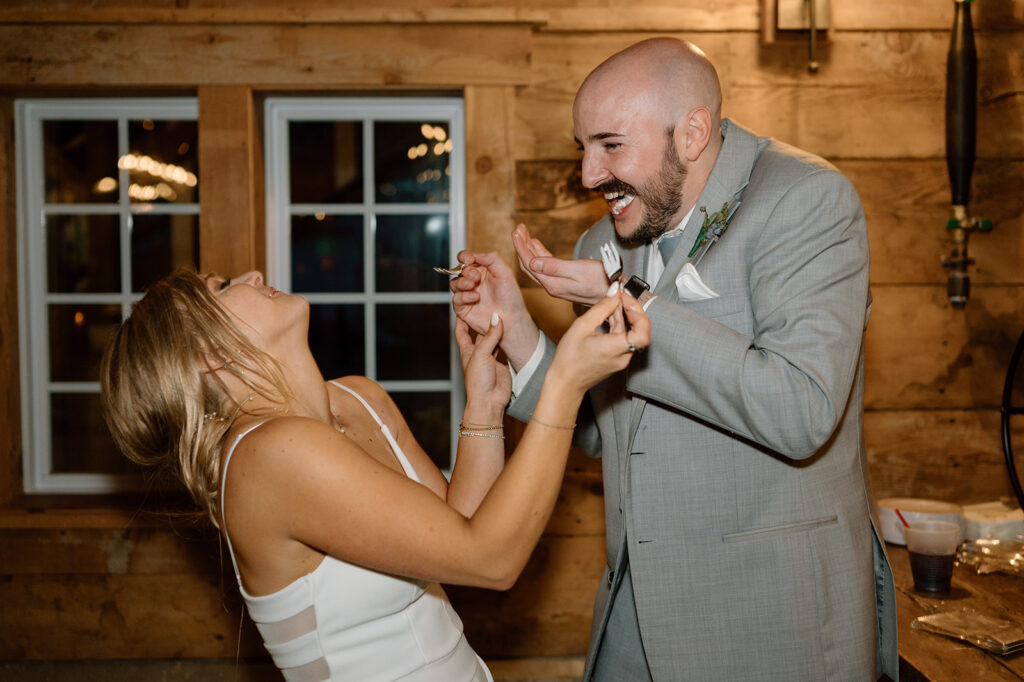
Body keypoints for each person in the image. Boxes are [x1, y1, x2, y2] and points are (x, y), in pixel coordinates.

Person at [450, 38, 898, 680]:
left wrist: (624, 300)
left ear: (692, 133)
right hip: (631, 623)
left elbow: (802, 410)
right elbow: (611, 432)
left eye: (611, 145)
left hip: (773, 625)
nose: (589, 176)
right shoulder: (602, 241)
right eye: (584, 149)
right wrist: (517, 333)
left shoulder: (805, 201)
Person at [99, 267, 649, 682]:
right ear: (207, 354)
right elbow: (493, 559)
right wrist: (564, 384)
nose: (254, 274)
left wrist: (484, 407)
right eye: (222, 288)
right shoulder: (266, 457)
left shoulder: (358, 398)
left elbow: (458, 535)